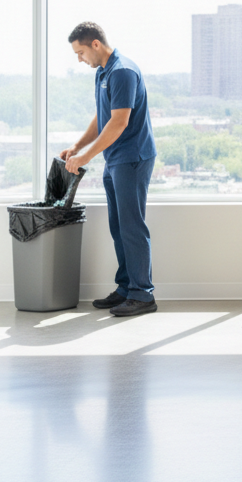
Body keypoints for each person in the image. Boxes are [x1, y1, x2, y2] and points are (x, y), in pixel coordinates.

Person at [60, 22, 158, 317]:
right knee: (119, 227)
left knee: (132, 226)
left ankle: (143, 295)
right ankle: (127, 288)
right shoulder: (103, 72)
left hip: (132, 158)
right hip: (114, 159)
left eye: (80, 53)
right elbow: (102, 117)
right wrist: (77, 147)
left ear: (95, 45)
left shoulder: (122, 71)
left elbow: (119, 122)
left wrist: (86, 157)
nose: (79, 60)